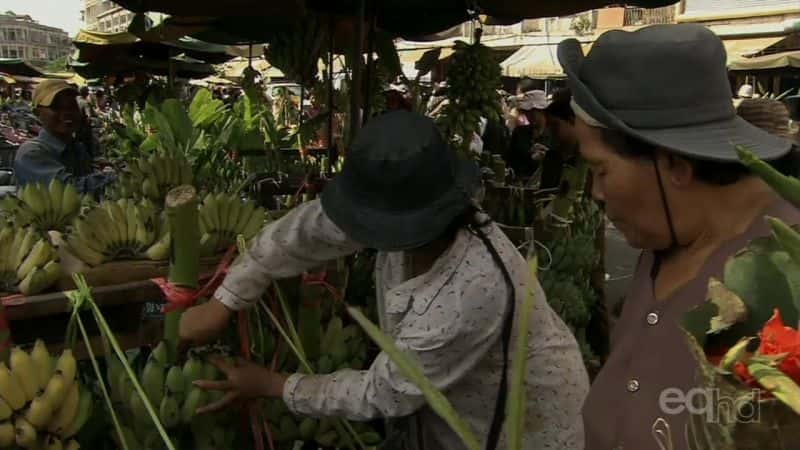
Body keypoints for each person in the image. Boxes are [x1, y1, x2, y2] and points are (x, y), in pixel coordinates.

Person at [179, 111, 589, 450]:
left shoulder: (469, 289)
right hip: (451, 401)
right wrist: (226, 299)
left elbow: (384, 392)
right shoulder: (415, 214)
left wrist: (272, 384)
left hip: (524, 424)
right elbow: (311, 230)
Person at [557, 24, 799, 450]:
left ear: (674, 166)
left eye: (601, 171)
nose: (595, 192)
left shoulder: (787, 272)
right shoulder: (662, 236)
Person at [14, 80, 114, 196]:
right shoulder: (31, 153)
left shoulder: (77, 148)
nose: (67, 112)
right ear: (37, 113)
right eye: (56, 107)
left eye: (72, 106)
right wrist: (115, 177)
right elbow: (71, 190)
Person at [506, 90, 549, 179]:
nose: (529, 115)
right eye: (526, 112)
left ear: (542, 111)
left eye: (532, 112)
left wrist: (546, 155)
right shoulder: (519, 132)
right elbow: (510, 160)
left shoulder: (553, 135)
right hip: (519, 183)